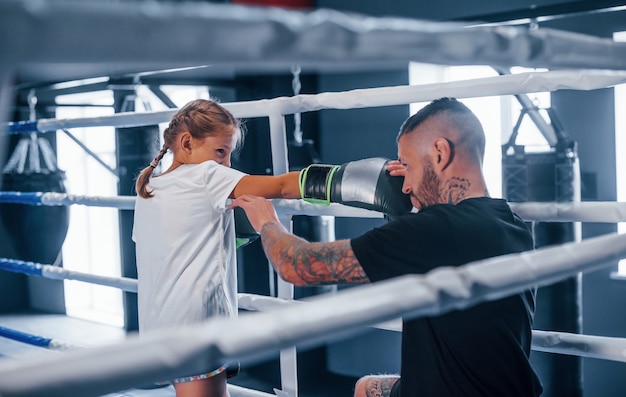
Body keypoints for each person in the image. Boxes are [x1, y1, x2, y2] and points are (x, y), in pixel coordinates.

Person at [232, 97, 543, 397]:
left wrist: (266, 220)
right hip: (506, 387)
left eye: (408, 165)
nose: (405, 185)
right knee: (366, 388)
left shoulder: (432, 231)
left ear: (440, 152)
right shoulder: (511, 224)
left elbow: (298, 266)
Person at [132, 99, 301, 397]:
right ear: (187, 143)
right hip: (199, 322)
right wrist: (343, 179)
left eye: (229, 154)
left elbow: (168, 246)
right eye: (220, 151)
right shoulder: (207, 175)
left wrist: (226, 237)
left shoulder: (151, 188)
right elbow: (283, 186)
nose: (226, 164)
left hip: (161, 321)